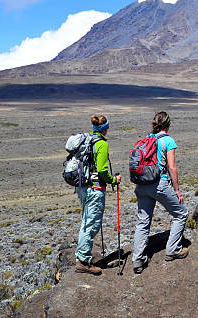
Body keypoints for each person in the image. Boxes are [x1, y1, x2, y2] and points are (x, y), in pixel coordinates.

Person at [132, 111, 188, 274]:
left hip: (142, 185)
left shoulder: (147, 139)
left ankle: (137, 260)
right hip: (159, 184)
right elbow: (172, 167)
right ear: (168, 125)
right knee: (181, 213)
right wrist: (177, 189)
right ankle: (173, 249)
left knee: (143, 221)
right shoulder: (167, 140)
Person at [75, 115, 122, 275]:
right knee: (91, 225)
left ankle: (82, 257)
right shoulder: (101, 144)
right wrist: (113, 180)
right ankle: (83, 262)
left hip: (82, 188)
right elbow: (102, 170)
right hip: (95, 189)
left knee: (86, 222)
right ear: (105, 129)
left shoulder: (87, 141)